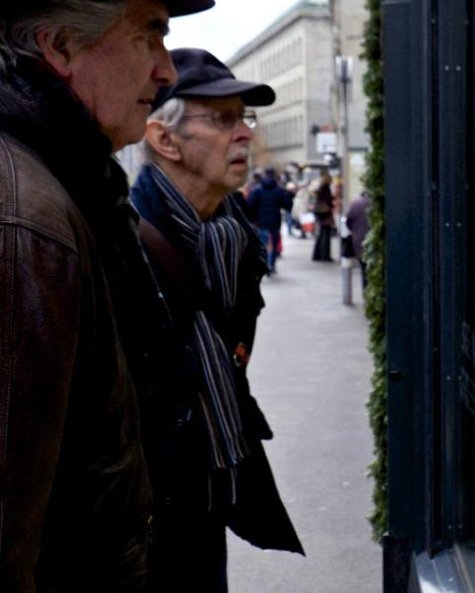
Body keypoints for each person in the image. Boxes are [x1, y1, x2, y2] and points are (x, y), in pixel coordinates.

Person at [0, 1, 214, 591]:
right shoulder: (25, 218)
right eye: (150, 36)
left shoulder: (67, 182)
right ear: (59, 47)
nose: (166, 70)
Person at [129, 48, 304, 592]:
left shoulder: (233, 240)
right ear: (164, 139)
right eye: (223, 119)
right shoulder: (120, 243)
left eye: (244, 118)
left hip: (211, 489)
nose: (245, 133)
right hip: (141, 516)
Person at [247, 166, 293, 274]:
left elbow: (250, 205)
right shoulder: (279, 190)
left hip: (261, 221)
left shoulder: (257, 190)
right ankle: (271, 265)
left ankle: (263, 264)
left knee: (263, 244)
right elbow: (286, 205)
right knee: (274, 243)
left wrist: (253, 218)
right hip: (275, 221)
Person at [345, 190, 372, 290]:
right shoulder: (374, 204)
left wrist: (354, 230)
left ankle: (366, 292)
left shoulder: (355, 204)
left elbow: (348, 222)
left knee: (364, 270)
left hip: (359, 241)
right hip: (373, 242)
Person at [311, 171, 335, 261]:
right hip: (325, 213)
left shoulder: (320, 188)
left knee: (321, 234)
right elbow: (327, 200)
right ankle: (325, 255)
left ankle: (318, 255)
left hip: (320, 213)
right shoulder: (326, 188)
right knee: (325, 234)